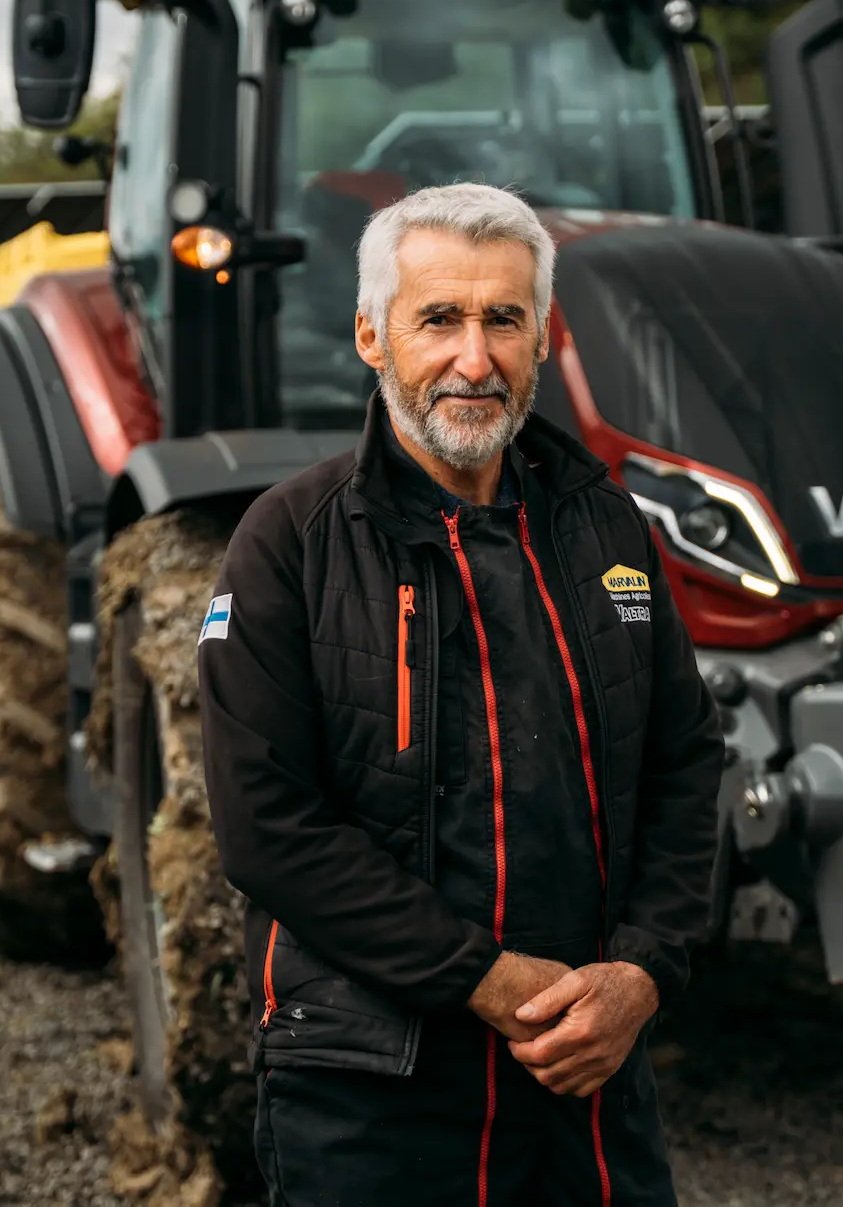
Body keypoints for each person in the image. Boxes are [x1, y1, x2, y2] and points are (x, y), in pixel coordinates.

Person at [198, 182, 722, 1205]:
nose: (472, 360)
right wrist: (484, 978)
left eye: (502, 320)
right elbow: (267, 826)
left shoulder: (603, 526)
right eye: (438, 318)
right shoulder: (290, 543)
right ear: (370, 335)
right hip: (370, 1090)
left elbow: (682, 761)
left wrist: (643, 974)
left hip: (580, 1073)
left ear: (540, 336)